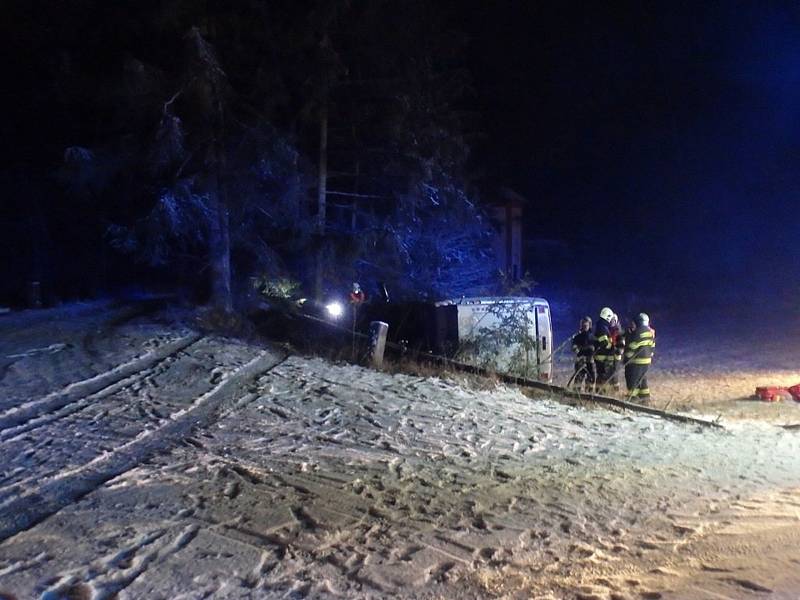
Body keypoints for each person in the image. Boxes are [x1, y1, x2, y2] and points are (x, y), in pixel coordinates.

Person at [624, 312, 656, 402]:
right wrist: (650, 355)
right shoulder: (650, 332)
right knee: (642, 380)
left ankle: (632, 400)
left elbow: (633, 346)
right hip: (647, 361)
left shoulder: (638, 332)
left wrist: (627, 357)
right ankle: (645, 399)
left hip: (637, 361)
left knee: (633, 380)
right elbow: (652, 345)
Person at [593, 306, 616, 393]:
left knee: (601, 376)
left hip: (600, 356)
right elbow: (604, 343)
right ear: (608, 317)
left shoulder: (601, 325)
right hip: (602, 357)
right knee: (603, 376)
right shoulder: (602, 327)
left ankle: (600, 393)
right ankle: (601, 394)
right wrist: (612, 346)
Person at [570, 316, 596, 391]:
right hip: (580, 361)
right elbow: (573, 347)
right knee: (579, 377)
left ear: (590, 325)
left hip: (590, 361)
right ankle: (576, 395)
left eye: (586, 325)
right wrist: (579, 353)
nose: (585, 327)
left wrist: (592, 352)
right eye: (583, 325)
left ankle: (588, 395)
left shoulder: (593, 337)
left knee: (591, 378)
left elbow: (595, 348)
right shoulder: (577, 337)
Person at [609, 313, 625, 393]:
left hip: (616, 356)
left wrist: (616, 350)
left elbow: (621, 345)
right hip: (610, 356)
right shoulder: (609, 330)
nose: (611, 322)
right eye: (610, 320)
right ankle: (610, 390)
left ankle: (615, 390)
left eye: (613, 320)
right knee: (609, 372)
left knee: (614, 373)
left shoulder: (619, 331)